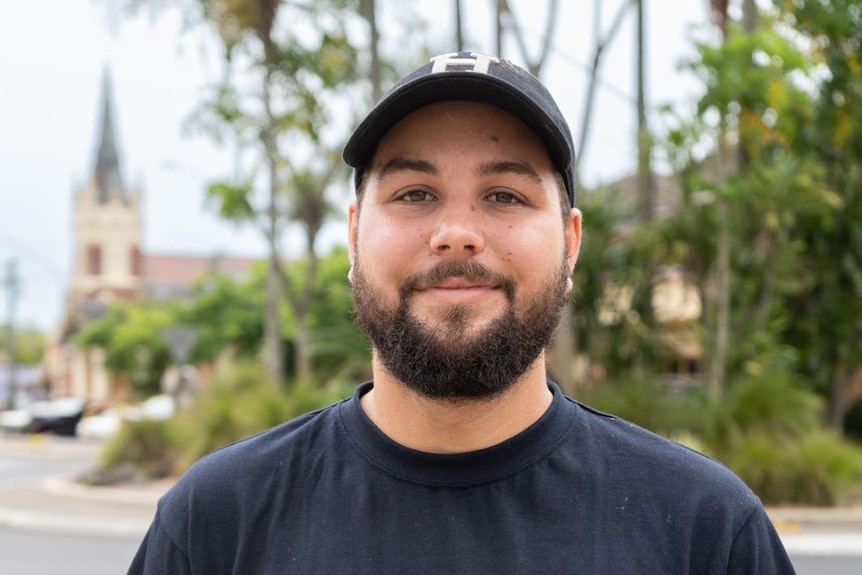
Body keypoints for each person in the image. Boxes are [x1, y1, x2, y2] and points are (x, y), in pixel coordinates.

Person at [127, 51, 796, 574]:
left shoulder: (706, 530)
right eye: (415, 192)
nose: (456, 231)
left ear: (570, 242)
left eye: (504, 195)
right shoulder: (216, 522)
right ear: (354, 235)